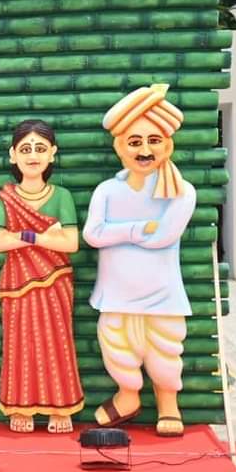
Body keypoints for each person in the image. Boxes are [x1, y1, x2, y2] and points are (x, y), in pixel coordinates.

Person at [83, 84, 196, 437]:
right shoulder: (107, 190)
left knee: (165, 348)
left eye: (153, 140)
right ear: (120, 147)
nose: (144, 150)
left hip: (162, 293)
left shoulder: (181, 191)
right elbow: (93, 234)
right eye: (134, 142)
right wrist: (136, 229)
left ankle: (168, 403)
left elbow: (163, 236)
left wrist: (118, 232)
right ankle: (128, 396)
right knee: (116, 346)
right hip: (115, 293)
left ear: (167, 145)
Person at [0, 119, 85, 433]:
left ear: (52, 153)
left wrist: (21, 236)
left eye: (40, 148)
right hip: (17, 283)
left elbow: (70, 243)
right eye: (26, 149)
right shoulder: (5, 198)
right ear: (13, 155)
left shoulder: (62, 196)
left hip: (55, 280)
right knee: (20, 345)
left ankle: (61, 408)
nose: (33, 155)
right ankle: (20, 407)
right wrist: (42, 236)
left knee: (56, 343)